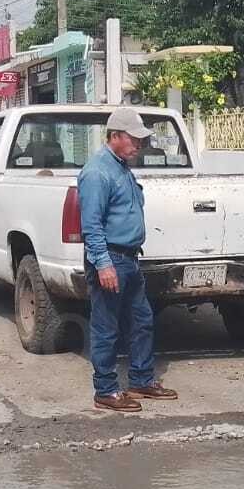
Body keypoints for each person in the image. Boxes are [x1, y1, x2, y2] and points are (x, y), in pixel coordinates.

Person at [78, 108, 178, 412]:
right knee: (107, 327)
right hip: (112, 258)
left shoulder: (121, 167)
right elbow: (91, 226)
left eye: (140, 140)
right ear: (115, 136)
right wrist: (104, 264)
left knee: (141, 321)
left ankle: (141, 379)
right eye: (134, 140)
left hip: (130, 259)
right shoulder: (98, 172)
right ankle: (106, 390)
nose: (139, 145)